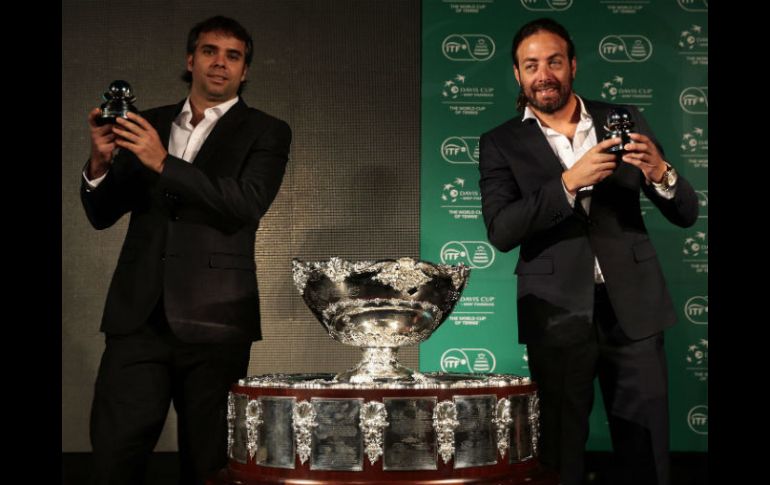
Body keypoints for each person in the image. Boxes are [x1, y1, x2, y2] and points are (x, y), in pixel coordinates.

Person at [478, 18, 698, 485]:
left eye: (554, 61)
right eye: (531, 65)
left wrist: (661, 171)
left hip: (634, 310)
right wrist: (568, 183)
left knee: (647, 451)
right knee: (560, 452)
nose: (544, 74)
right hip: (556, 314)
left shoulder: (624, 118)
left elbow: (686, 213)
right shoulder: (499, 143)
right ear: (517, 75)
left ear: (573, 65)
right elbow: (501, 230)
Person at [81, 15, 291, 485]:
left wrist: (163, 163)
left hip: (216, 321)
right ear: (190, 60)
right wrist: (99, 163)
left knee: (210, 464)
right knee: (113, 458)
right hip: (138, 318)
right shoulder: (147, 122)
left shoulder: (267, 131)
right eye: (210, 51)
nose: (220, 63)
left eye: (233, 56)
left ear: (245, 70)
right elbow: (102, 214)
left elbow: (246, 203)